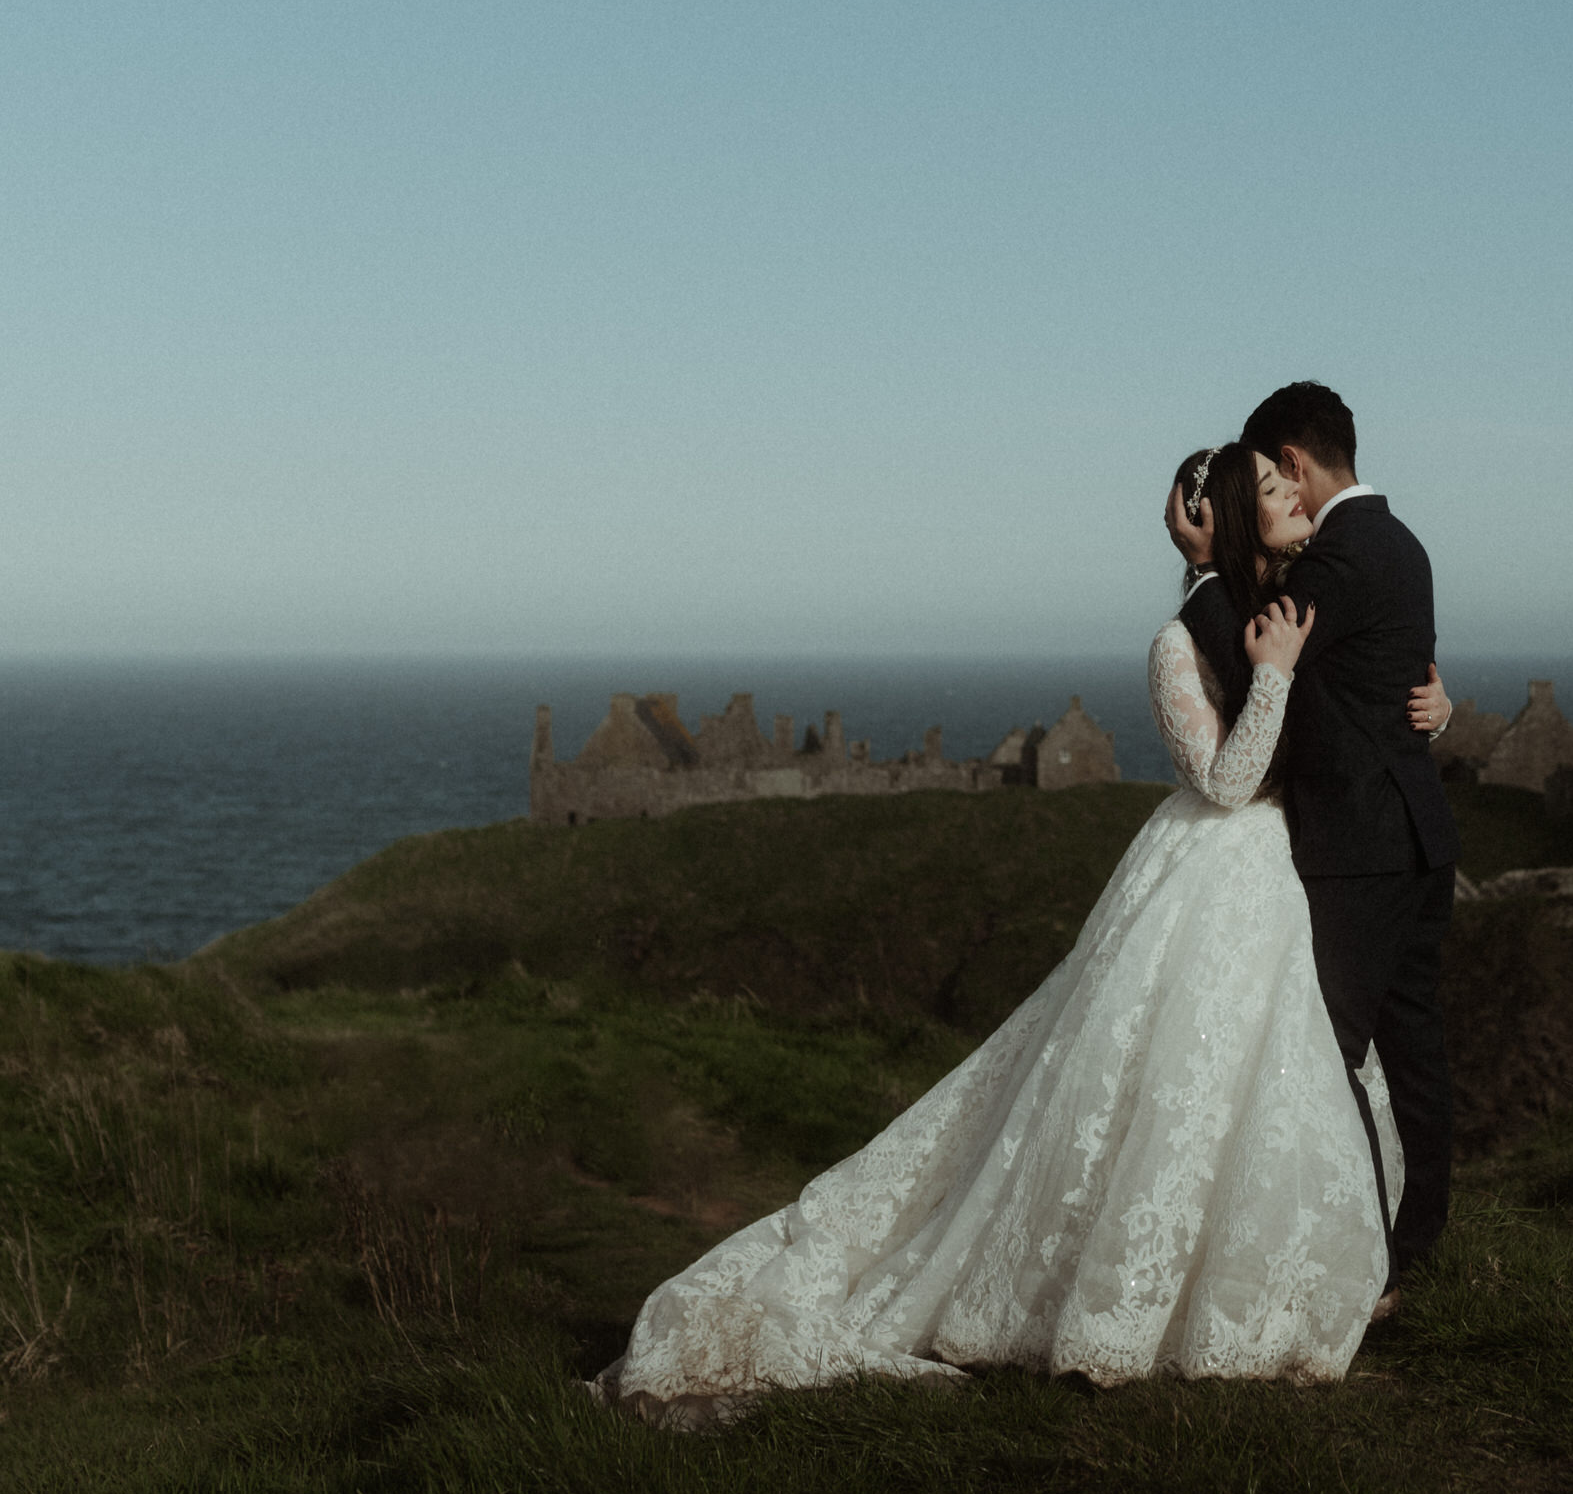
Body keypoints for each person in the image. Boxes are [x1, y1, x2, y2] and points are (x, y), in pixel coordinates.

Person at [589, 444, 1454, 1423]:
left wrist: (1436, 700)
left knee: (1285, 1078)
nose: (1287, 505)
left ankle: (1301, 1272)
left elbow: (1368, 696)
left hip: (1298, 875)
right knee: (1179, 1076)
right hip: (1216, 873)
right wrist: (1267, 672)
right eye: (1260, 498)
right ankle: (1145, 1297)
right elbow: (1224, 780)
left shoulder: (1297, 607)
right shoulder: (1184, 639)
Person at [1166, 383, 1460, 1316]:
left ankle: (1369, 1264)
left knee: (1328, 1057)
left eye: (1271, 476)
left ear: (1292, 463)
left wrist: (1207, 571)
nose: (1277, 499)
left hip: (1359, 847)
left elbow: (1260, 651)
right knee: (1413, 1053)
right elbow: (1388, 679)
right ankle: (1412, 1249)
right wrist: (1437, 709)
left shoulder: (1338, 556)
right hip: (1417, 830)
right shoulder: (1402, 542)